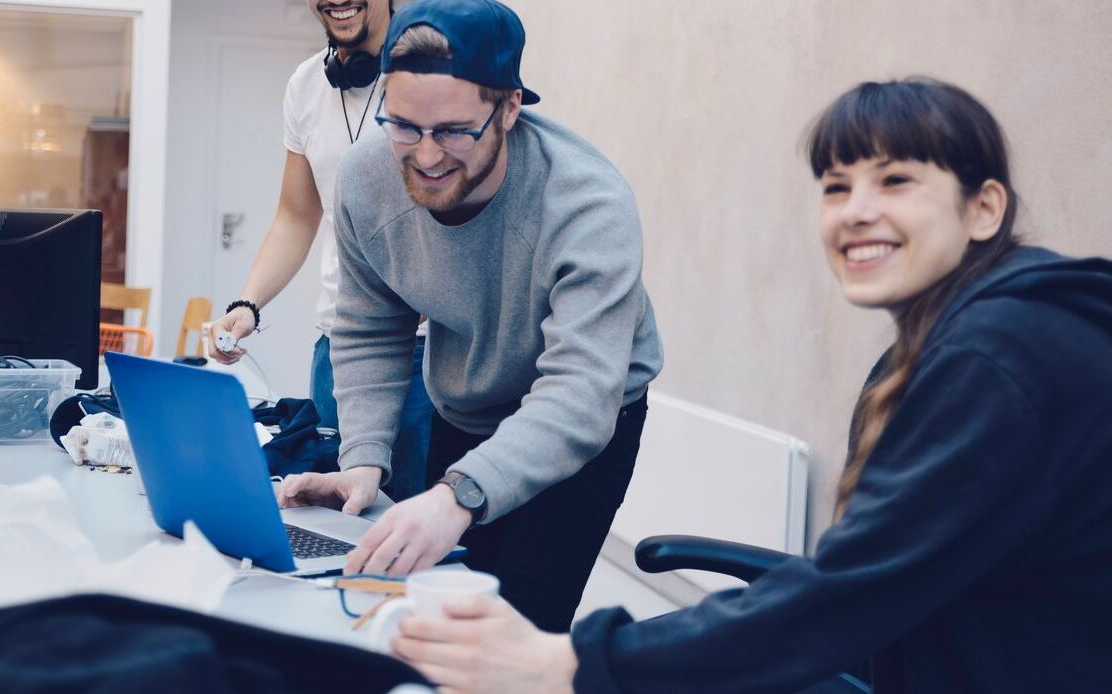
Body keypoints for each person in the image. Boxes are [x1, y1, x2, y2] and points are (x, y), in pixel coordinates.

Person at [388, 78, 1112, 693]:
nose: (856, 210)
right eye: (837, 186)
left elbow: (850, 593)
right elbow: (872, 579)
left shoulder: (999, 358)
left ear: (984, 208)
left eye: (896, 181)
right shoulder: (953, 343)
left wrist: (572, 661)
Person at [279, 0, 664, 632]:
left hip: (585, 417)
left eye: (456, 131)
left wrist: (458, 495)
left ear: (510, 107)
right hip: (466, 404)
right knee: (438, 612)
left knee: (515, 630)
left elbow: (578, 393)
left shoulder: (589, 204)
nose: (426, 157)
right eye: (404, 125)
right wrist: (363, 462)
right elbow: (372, 326)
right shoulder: (367, 179)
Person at [207, 0, 433, 502]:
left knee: (406, 538)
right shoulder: (305, 86)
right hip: (337, 344)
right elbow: (297, 216)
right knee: (332, 527)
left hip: (425, 356)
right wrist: (248, 304)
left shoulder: (436, 76)